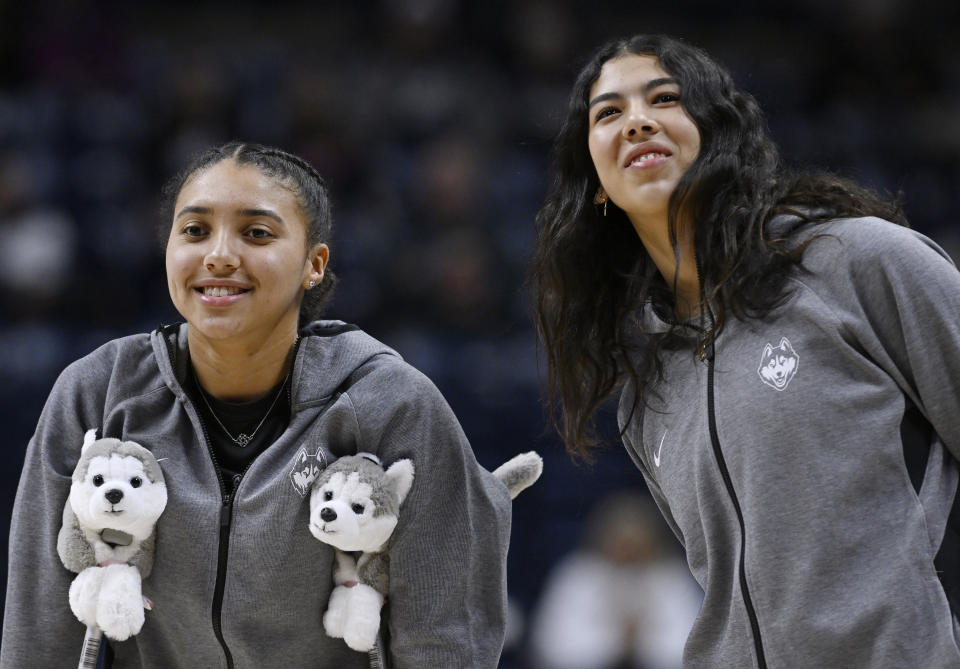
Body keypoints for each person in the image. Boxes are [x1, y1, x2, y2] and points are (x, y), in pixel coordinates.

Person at [531, 34, 960, 668]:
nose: (637, 121)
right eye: (608, 113)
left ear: (718, 132)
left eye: (665, 98)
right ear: (595, 183)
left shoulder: (857, 262)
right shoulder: (646, 397)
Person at [2, 142, 513, 668]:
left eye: (257, 233)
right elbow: (38, 626)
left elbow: (444, 637)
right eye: (195, 231)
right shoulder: (97, 392)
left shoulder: (393, 404)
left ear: (314, 264)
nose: (219, 254)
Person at [528, 490, 700, 669]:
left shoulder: (672, 578)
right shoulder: (578, 575)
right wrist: (616, 641)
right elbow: (553, 647)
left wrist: (641, 642)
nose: (629, 554)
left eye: (636, 546)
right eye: (622, 545)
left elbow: (691, 648)